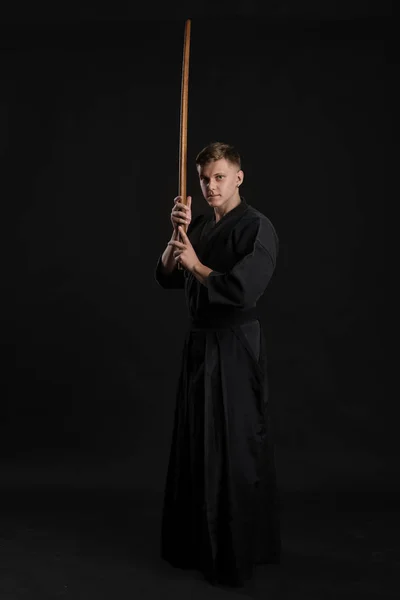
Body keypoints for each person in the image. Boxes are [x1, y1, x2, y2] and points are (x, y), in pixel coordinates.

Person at [154, 142, 281, 587]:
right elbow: (168, 276)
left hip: (235, 344)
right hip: (200, 344)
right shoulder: (202, 227)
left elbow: (241, 290)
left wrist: (198, 265)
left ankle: (236, 552)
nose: (210, 186)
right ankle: (196, 547)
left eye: (220, 177)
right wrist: (177, 242)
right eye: (205, 179)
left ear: (238, 178)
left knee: (234, 444)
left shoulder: (258, 229)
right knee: (197, 442)